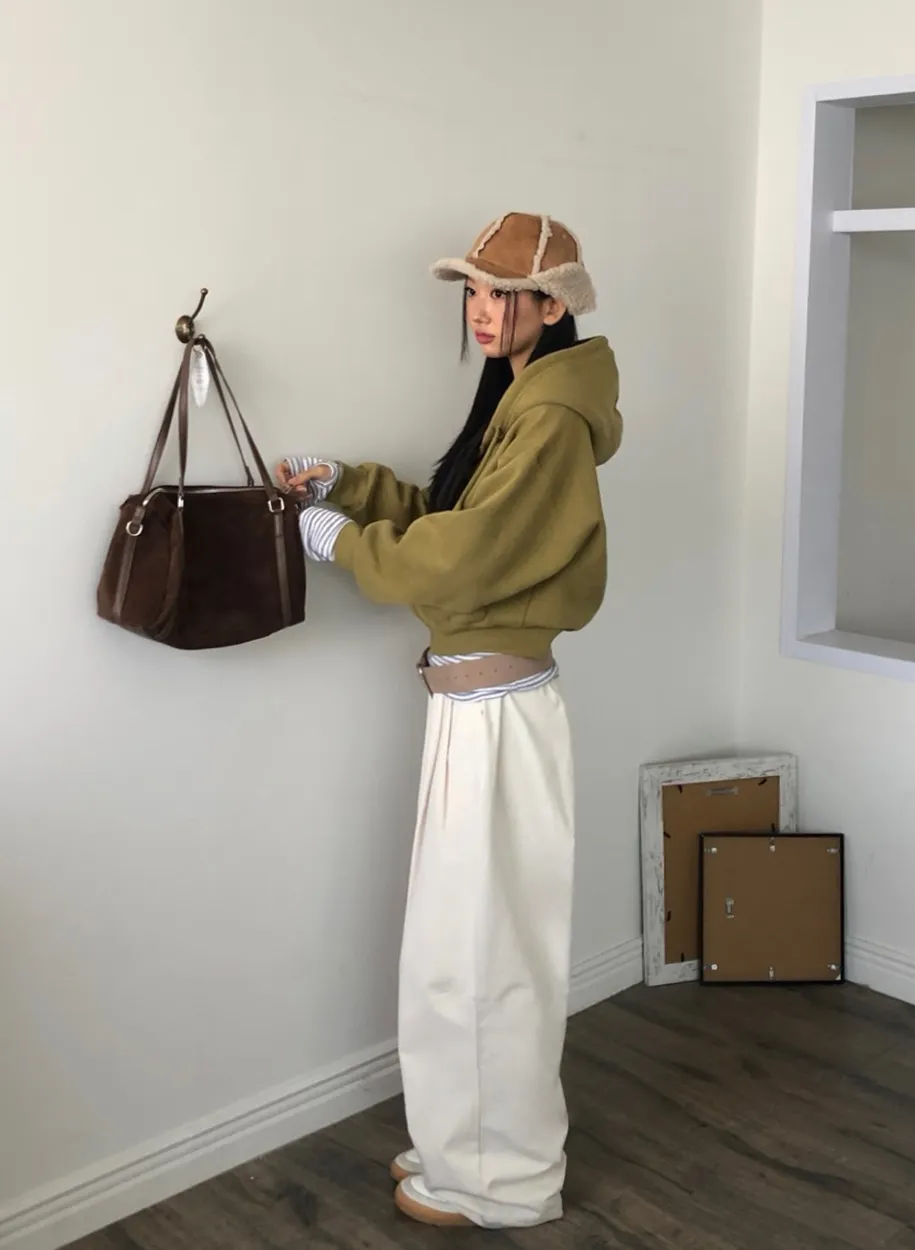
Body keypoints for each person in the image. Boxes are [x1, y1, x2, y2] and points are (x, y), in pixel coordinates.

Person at [277, 213, 622, 1229]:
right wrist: (349, 486)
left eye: (500, 292)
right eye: (470, 289)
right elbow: (453, 510)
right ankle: (461, 1143)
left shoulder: (551, 420)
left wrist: (343, 543)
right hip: (478, 709)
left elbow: (464, 555)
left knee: (484, 953)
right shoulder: (523, 399)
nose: (480, 308)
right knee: (461, 946)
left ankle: (498, 1178)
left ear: (551, 304)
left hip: (498, 720)